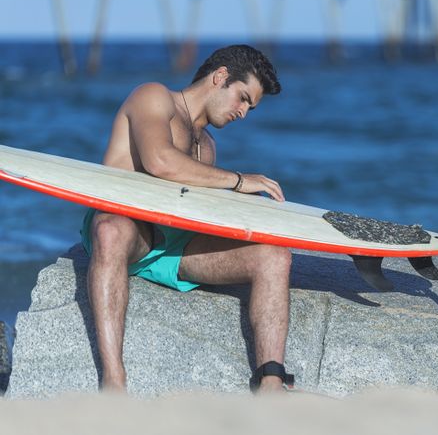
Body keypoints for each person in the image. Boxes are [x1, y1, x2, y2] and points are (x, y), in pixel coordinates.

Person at [80, 45, 292, 393]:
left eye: (250, 107)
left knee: (274, 256)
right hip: (127, 228)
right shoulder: (154, 97)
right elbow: (160, 161)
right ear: (220, 76)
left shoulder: (206, 145)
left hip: (174, 244)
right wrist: (239, 181)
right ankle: (114, 381)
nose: (243, 113)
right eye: (242, 99)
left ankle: (271, 382)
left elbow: (196, 207)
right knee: (110, 231)